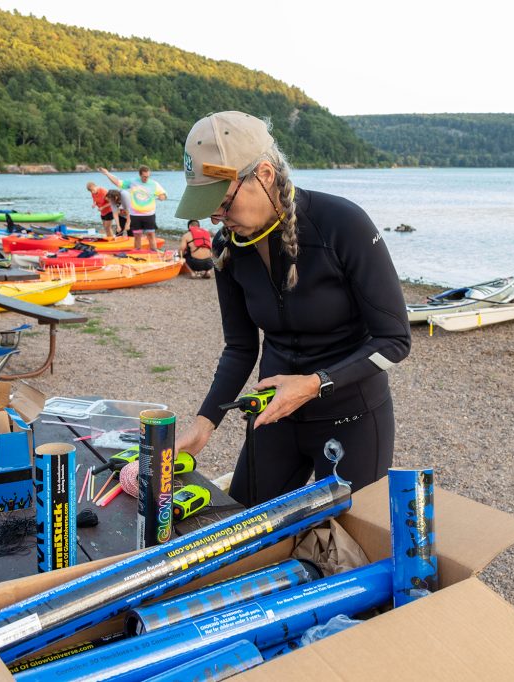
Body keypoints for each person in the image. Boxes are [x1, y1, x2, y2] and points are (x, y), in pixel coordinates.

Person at [172, 111, 411, 507]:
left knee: (348, 543)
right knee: (247, 531)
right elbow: (240, 347)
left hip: (351, 414)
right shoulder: (228, 247)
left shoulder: (342, 225)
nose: (217, 216)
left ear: (264, 174)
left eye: (223, 201)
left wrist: (314, 383)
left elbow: (395, 341)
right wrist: (203, 424)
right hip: (273, 414)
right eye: (207, 204)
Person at [99, 165, 166, 250]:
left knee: (151, 234)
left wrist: (162, 197)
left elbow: (163, 194)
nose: (146, 179)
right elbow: (118, 183)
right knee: (137, 235)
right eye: (144, 177)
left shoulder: (154, 184)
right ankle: (137, 252)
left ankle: (154, 253)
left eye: (148, 176)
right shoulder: (133, 182)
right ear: (140, 175)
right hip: (135, 215)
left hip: (149, 214)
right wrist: (107, 174)